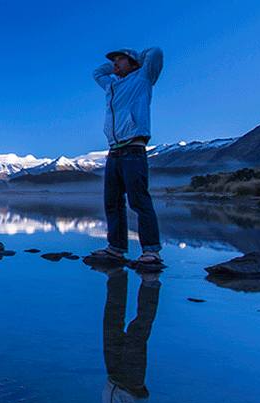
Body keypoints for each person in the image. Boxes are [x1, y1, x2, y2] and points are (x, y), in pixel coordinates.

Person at [90, 47, 164, 266]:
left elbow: (156, 53)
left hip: (134, 148)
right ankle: (116, 248)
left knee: (139, 201)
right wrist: (114, 65)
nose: (115, 64)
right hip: (114, 151)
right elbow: (97, 73)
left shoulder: (142, 79)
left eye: (120, 60)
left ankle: (151, 251)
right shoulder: (111, 85)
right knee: (112, 202)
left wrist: (137, 60)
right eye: (114, 61)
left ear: (133, 63)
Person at [91, 266, 162, 403]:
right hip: (131, 388)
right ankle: (150, 285)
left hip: (113, 378)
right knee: (137, 333)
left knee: (111, 322)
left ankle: (117, 278)